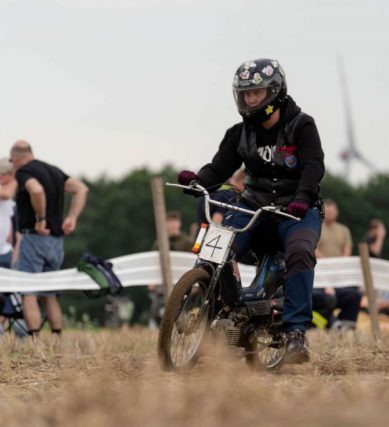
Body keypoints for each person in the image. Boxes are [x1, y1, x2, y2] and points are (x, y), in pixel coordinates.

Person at [177, 58, 324, 363]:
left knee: (300, 253)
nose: (251, 100)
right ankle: (218, 311)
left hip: (296, 211)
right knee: (216, 248)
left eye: (257, 92)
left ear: (275, 92)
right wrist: (198, 181)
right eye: (246, 94)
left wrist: (302, 197)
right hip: (253, 206)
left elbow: (313, 167)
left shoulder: (302, 125)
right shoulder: (239, 133)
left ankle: (295, 333)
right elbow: (220, 167)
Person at [10, 140, 89, 336]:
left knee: (28, 291)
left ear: (17, 158)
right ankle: (56, 337)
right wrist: (72, 217)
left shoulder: (24, 172)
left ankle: (35, 340)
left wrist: (40, 219)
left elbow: (36, 190)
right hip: (56, 242)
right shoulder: (54, 171)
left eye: (12, 161)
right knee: (50, 293)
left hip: (34, 238)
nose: (13, 166)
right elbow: (81, 188)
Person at [313, 199, 361, 329]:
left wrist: (340, 265)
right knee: (324, 298)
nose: (329, 213)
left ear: (337, 212)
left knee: (354, 296)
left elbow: (347, 249)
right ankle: (330, 324)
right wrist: (328, 264)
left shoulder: (343, 230)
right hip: (320, 275)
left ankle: (347, 325)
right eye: (327, 211)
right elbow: (314, 248)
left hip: (339, 275)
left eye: (332, 211)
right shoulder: (316, 228)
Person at [148, 210, 193, 328]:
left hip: (181, 279)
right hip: (162, 280)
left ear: (179, 224)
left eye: (175, 222)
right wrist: (151, 280)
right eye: (170, 222)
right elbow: (154, 261)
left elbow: (191, 262)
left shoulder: (187, 242)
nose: (172, 225)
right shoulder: (160, 242)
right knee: (158, 304)